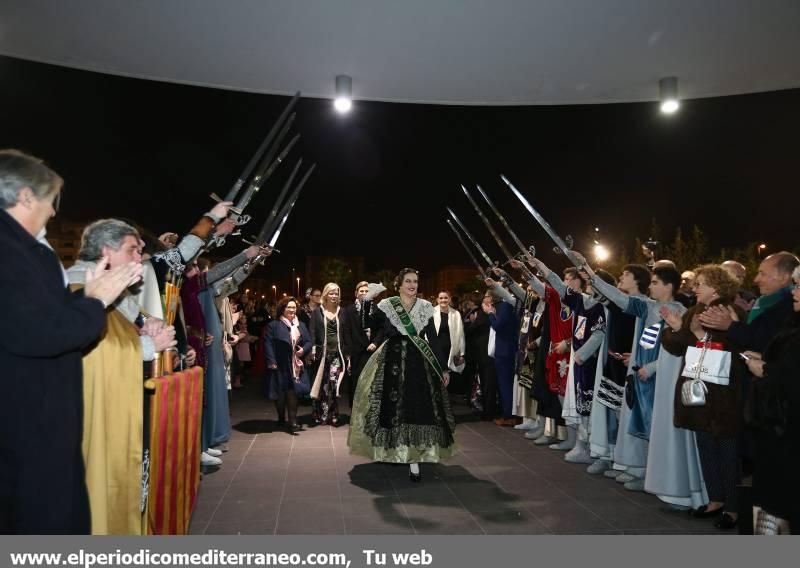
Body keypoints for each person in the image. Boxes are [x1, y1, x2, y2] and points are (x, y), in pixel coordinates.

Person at [0, 149, 141, 533]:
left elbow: (45, 317)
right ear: (26, 196)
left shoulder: (24, 251)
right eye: (50, 200)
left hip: (41, 424)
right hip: (27, 429)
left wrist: (87, 298)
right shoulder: (11, 252)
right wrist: (95, 301)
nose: (53, 212)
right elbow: (42, 333)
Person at [65, 219, 177, 534]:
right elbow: (92, 355)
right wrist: (146, 346)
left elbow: (132, 326)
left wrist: (151, 327)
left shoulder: (120, 296)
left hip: (123, 413)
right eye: (133, 250)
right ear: (107, 252)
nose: (140, 258)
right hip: (95, 424)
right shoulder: (77, 288)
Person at [348, 268, 455, 482]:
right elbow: (368, 324)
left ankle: (414, 460)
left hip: (419, 365)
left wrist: (443, 367)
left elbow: (432, 339)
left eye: (415, 281)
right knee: (392, 409)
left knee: (416, 409)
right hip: (392, 362)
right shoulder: (387, 306)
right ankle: (392, 451)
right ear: (399, 284)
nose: (412, 285)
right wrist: (368, 300)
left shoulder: (425, 307)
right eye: (408, 281)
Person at [660, 264, 745, 528]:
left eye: (700, 284)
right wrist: (675, 328)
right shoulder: (695, 311)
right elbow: (676, 348)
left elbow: (731, 350)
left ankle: (733, 507)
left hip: (723, 395)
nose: (694, 288)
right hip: (699, 391)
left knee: (727, 450)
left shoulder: (730, 312)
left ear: (716, 288)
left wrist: (696, 336)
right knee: (706, 446)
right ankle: (716, 499)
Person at [741, 264, 800, 534]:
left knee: (780, 504)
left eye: (799, 287)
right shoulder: (793, 320)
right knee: (769, 504)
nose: (794, 293)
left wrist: (765, 369)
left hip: (788, 434)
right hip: (776, 431)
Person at [265, 296, 312, 434]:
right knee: (280, 394)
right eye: (288, 307)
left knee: (293, 392)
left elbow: (308, 341)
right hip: (279, 364)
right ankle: (281, 417)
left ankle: (293, 421)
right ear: (282, 309)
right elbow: (268, 344)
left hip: (295, 365)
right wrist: (271, 361)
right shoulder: (274, 325)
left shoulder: (301, 325)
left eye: (293, 307)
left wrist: (303, 350)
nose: (292, 310)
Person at [310, 283, 350, 426]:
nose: (334, 296)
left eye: (336, 293)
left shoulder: (342, 311)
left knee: (334, 385)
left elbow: (346, 334)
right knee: (321, 385)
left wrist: (347, 354)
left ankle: (334, 413)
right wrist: (312, 351)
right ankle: (319, 413)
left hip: (336, 355)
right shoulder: (317, 312)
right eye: (331, 293)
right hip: (321, 355)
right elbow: (312, 333)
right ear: (325, 294)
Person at [342, 281, 385, 408]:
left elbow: (382, 329)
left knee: (371, 382)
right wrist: (349, 351)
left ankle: (370, 411)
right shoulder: (349, 310)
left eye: (367, 291)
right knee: (356, 382)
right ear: (356, 293)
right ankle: (356, 412)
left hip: (372, 351)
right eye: (361, 291)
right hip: (356, 352)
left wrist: (375, 343)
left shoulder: (377, 309)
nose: (364, 293)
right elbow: (347, 331)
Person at [433, 290, 466, 390]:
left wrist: (462, 353)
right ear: (437, 300)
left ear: (450, 299)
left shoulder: (456, 314)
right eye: (441, 298)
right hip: (435, 348)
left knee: (447, 375)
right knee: (435, 373)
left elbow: (460, 334)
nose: (443, 300)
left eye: (446, 298)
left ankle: (445, 400)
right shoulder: (431, 312)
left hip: (450, 349)